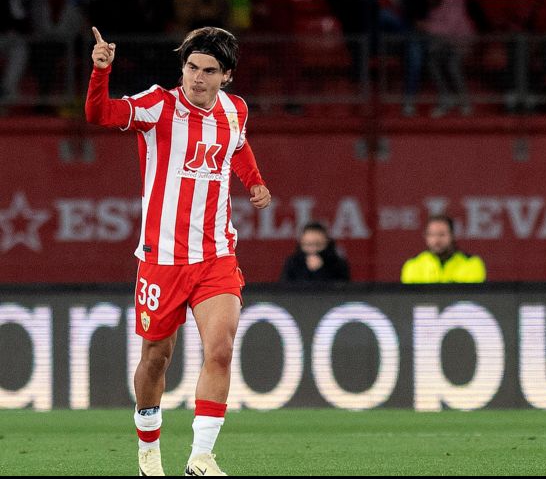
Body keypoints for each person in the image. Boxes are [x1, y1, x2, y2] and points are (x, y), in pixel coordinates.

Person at [86, 25, 271, 476]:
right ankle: (149, 450)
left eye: (209, 70)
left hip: (216, 255)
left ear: (226, 75)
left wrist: (255, 181)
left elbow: (238, 149)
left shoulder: (235, 110)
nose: (197, 78)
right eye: (191, 67)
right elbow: (101, 116)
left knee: (221, 349)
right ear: (182, 67)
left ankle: (201, 458)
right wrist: (100, 72)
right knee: (156, 359)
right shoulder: (158, 105)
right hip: (162, 259)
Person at [401, 215, 486, 284]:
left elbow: (473, 299)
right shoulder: (413, 265)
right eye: (432, 235)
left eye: (442, 234)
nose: (437, 240)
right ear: (426, 237)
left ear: (452, 235)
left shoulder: (472, 263)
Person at [280, 222, 351, 282]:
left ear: (327, 243)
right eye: (308, 244)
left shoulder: (338, 264)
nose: (313, 249)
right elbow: (285, 290)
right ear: (301, 243)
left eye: (318, 244)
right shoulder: (292, 263)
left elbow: (342, 291)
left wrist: (320, 271)